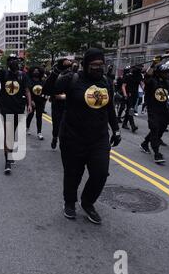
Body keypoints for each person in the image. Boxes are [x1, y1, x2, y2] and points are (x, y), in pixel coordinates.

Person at [54, 48, 121, 224]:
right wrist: (61, 72)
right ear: (85, 65)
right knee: (73, 174)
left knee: (100, 173)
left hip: (98, 139)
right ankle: (69, 202)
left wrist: (116, 129)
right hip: (72, 137)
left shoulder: (106, 82)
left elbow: (110, 108)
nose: (99, 68)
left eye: (101, 65)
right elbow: (50, 90)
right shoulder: (73, 79)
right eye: (94, 65)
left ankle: (87, 202)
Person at [0, 51, 33, 175]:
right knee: (9, 134)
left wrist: (29, 104)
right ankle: (7, 161)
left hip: (19, 108)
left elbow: (27, 90)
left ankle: (9, 151)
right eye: (12, 60)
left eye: (16, 60)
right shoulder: (3, 73)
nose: (15, 62)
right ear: (8, 64)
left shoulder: (23, 75)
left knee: (12, 133)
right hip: (6, 108)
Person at [44, 58, 73, 149]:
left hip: (68, 105)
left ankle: (64, 142)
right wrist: (53, 96)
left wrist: (65, 97)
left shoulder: (73, 77)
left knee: (67, 126)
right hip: (57, 104)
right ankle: (55, 137)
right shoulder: (57, 77)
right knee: (56, 124)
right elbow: (47, 89)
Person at [26, 66, 48, 140]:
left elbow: (45, 91)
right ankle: (27, 127)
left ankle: (39, 132)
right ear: (32, 72)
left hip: (40, 101)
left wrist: (45, 98)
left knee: (39, 116)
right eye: (34, 71)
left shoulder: (43, 81)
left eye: (37, 71)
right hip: (32, 101)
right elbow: (27, 91)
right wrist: (31, 101)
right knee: (31, 115)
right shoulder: (29, 81)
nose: (36, 72)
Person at [121, 66, 141, 132]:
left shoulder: (139, 76)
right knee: (131, 109)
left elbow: (142, 84)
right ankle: (133, 125)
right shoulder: (128, 76)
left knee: (129, 110)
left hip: (135, 95)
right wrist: (125, 95)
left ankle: (124, 124)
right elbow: (123, 86)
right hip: (129, 95)